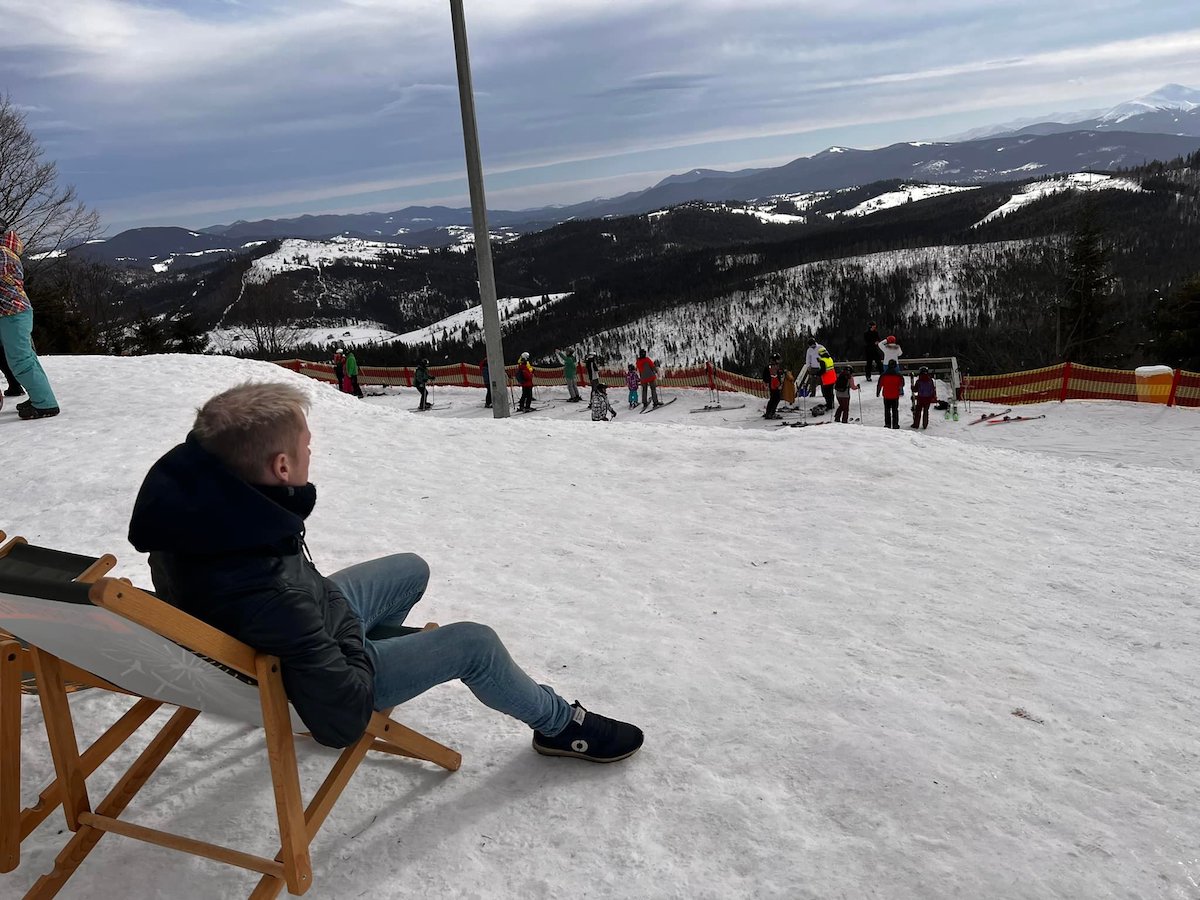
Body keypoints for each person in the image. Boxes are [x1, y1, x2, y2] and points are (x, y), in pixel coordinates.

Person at [127, 382, 643, 762]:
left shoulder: (195, 512)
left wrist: (333, 622)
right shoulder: (267, 586)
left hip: (293, 627)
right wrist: (348, 638)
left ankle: (402, 652)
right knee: (475, 644)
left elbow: (291, 601)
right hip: (313, 671)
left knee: (410, 570)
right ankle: (558, 727)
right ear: (282, 467)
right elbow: (341, 720)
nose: (312, 452)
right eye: (306, 445)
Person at [0, 227, 60, 419]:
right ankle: (39, 397)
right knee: (26, 358)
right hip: (13, 312)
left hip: (12, 313)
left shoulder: (1, 253)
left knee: (21, 359)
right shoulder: (6, 250)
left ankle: (45, 404)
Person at [877, 360, 904, 429]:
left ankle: (887, 424)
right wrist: (900, 391)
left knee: (887, 410)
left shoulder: (883, 375)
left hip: (886, 395)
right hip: (895, 395)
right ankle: (895, 424)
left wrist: (878, 392)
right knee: (895, 410)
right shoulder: (899, 375)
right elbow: (902, 384)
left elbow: (879, 385)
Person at [761, 353, 784, 419]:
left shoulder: (773, 366)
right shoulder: (771, 367)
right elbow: (770, 376)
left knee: (774, 399)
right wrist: (767, 382)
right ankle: (771, 413)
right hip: (773, 385)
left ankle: (769, 412)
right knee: (775, 398)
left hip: (774, 385)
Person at [816, 345, 837, 413]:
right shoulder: (829, 358)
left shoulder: (822, 361)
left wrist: (817, 374)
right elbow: (826, 364)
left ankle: (829, 405)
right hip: (833, 377)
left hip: (827, 378)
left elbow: (823, 370)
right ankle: (831, 404)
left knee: (826, 393)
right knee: (830, 392)